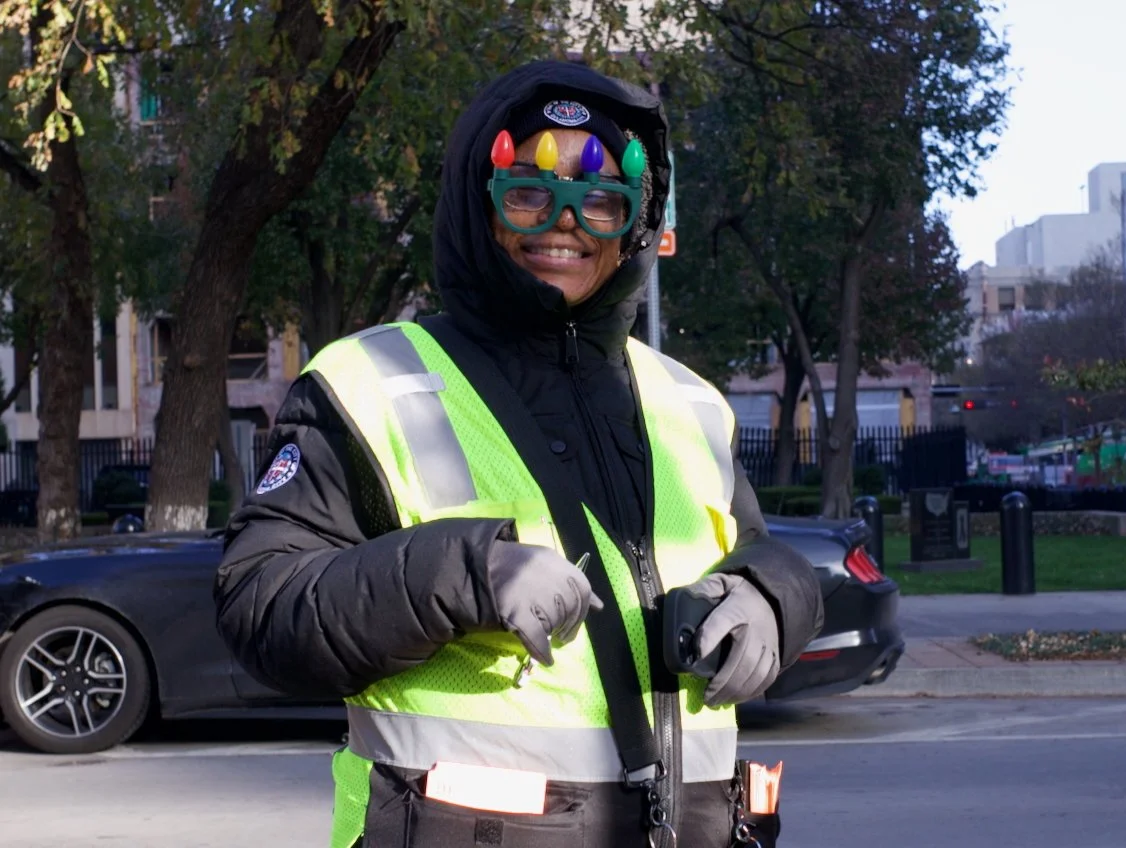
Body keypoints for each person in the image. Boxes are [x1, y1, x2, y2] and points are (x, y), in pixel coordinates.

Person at [214, 60, 824, 848]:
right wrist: (468, 572)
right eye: (531, 194)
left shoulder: (689, 401)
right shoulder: (369, 381)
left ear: (636, 226)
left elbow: (757, 551)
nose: (564, 225)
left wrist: (772, 597)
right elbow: (261, 605)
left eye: (600, 202)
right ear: (481, 207)